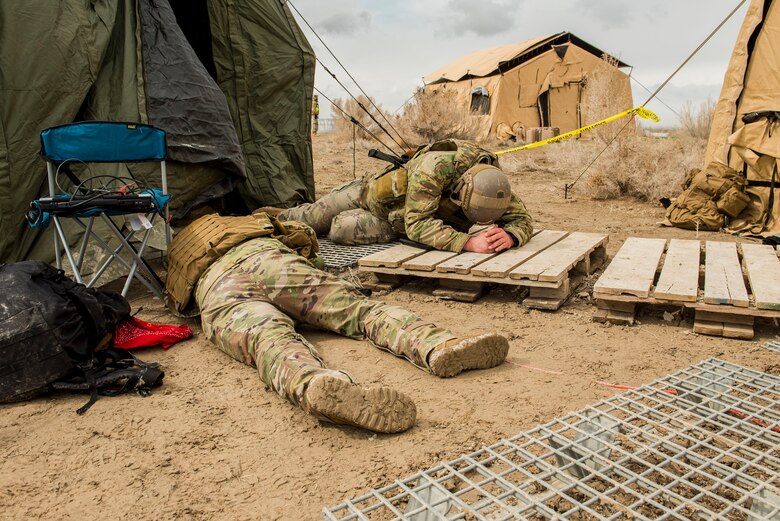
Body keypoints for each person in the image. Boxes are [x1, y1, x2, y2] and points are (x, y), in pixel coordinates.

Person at [165, 212, 509, 433]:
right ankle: (436, 344)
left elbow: (180, 304)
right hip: (267, 259)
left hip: (216, 286)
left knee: (268, 341)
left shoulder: (175, 258)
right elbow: (304, 239)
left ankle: (314, 383)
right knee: (360, 312)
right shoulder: (247, 222)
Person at [278, 139, 533, 253]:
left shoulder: (492, 185)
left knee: (340, 230)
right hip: (369, 194)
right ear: (460, 187)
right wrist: (467, 243)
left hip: (397, 221)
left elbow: (522, 219)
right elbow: (419, 224)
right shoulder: (435, 167)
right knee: (307, 218)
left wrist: (510, 236)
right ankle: (265, 215)